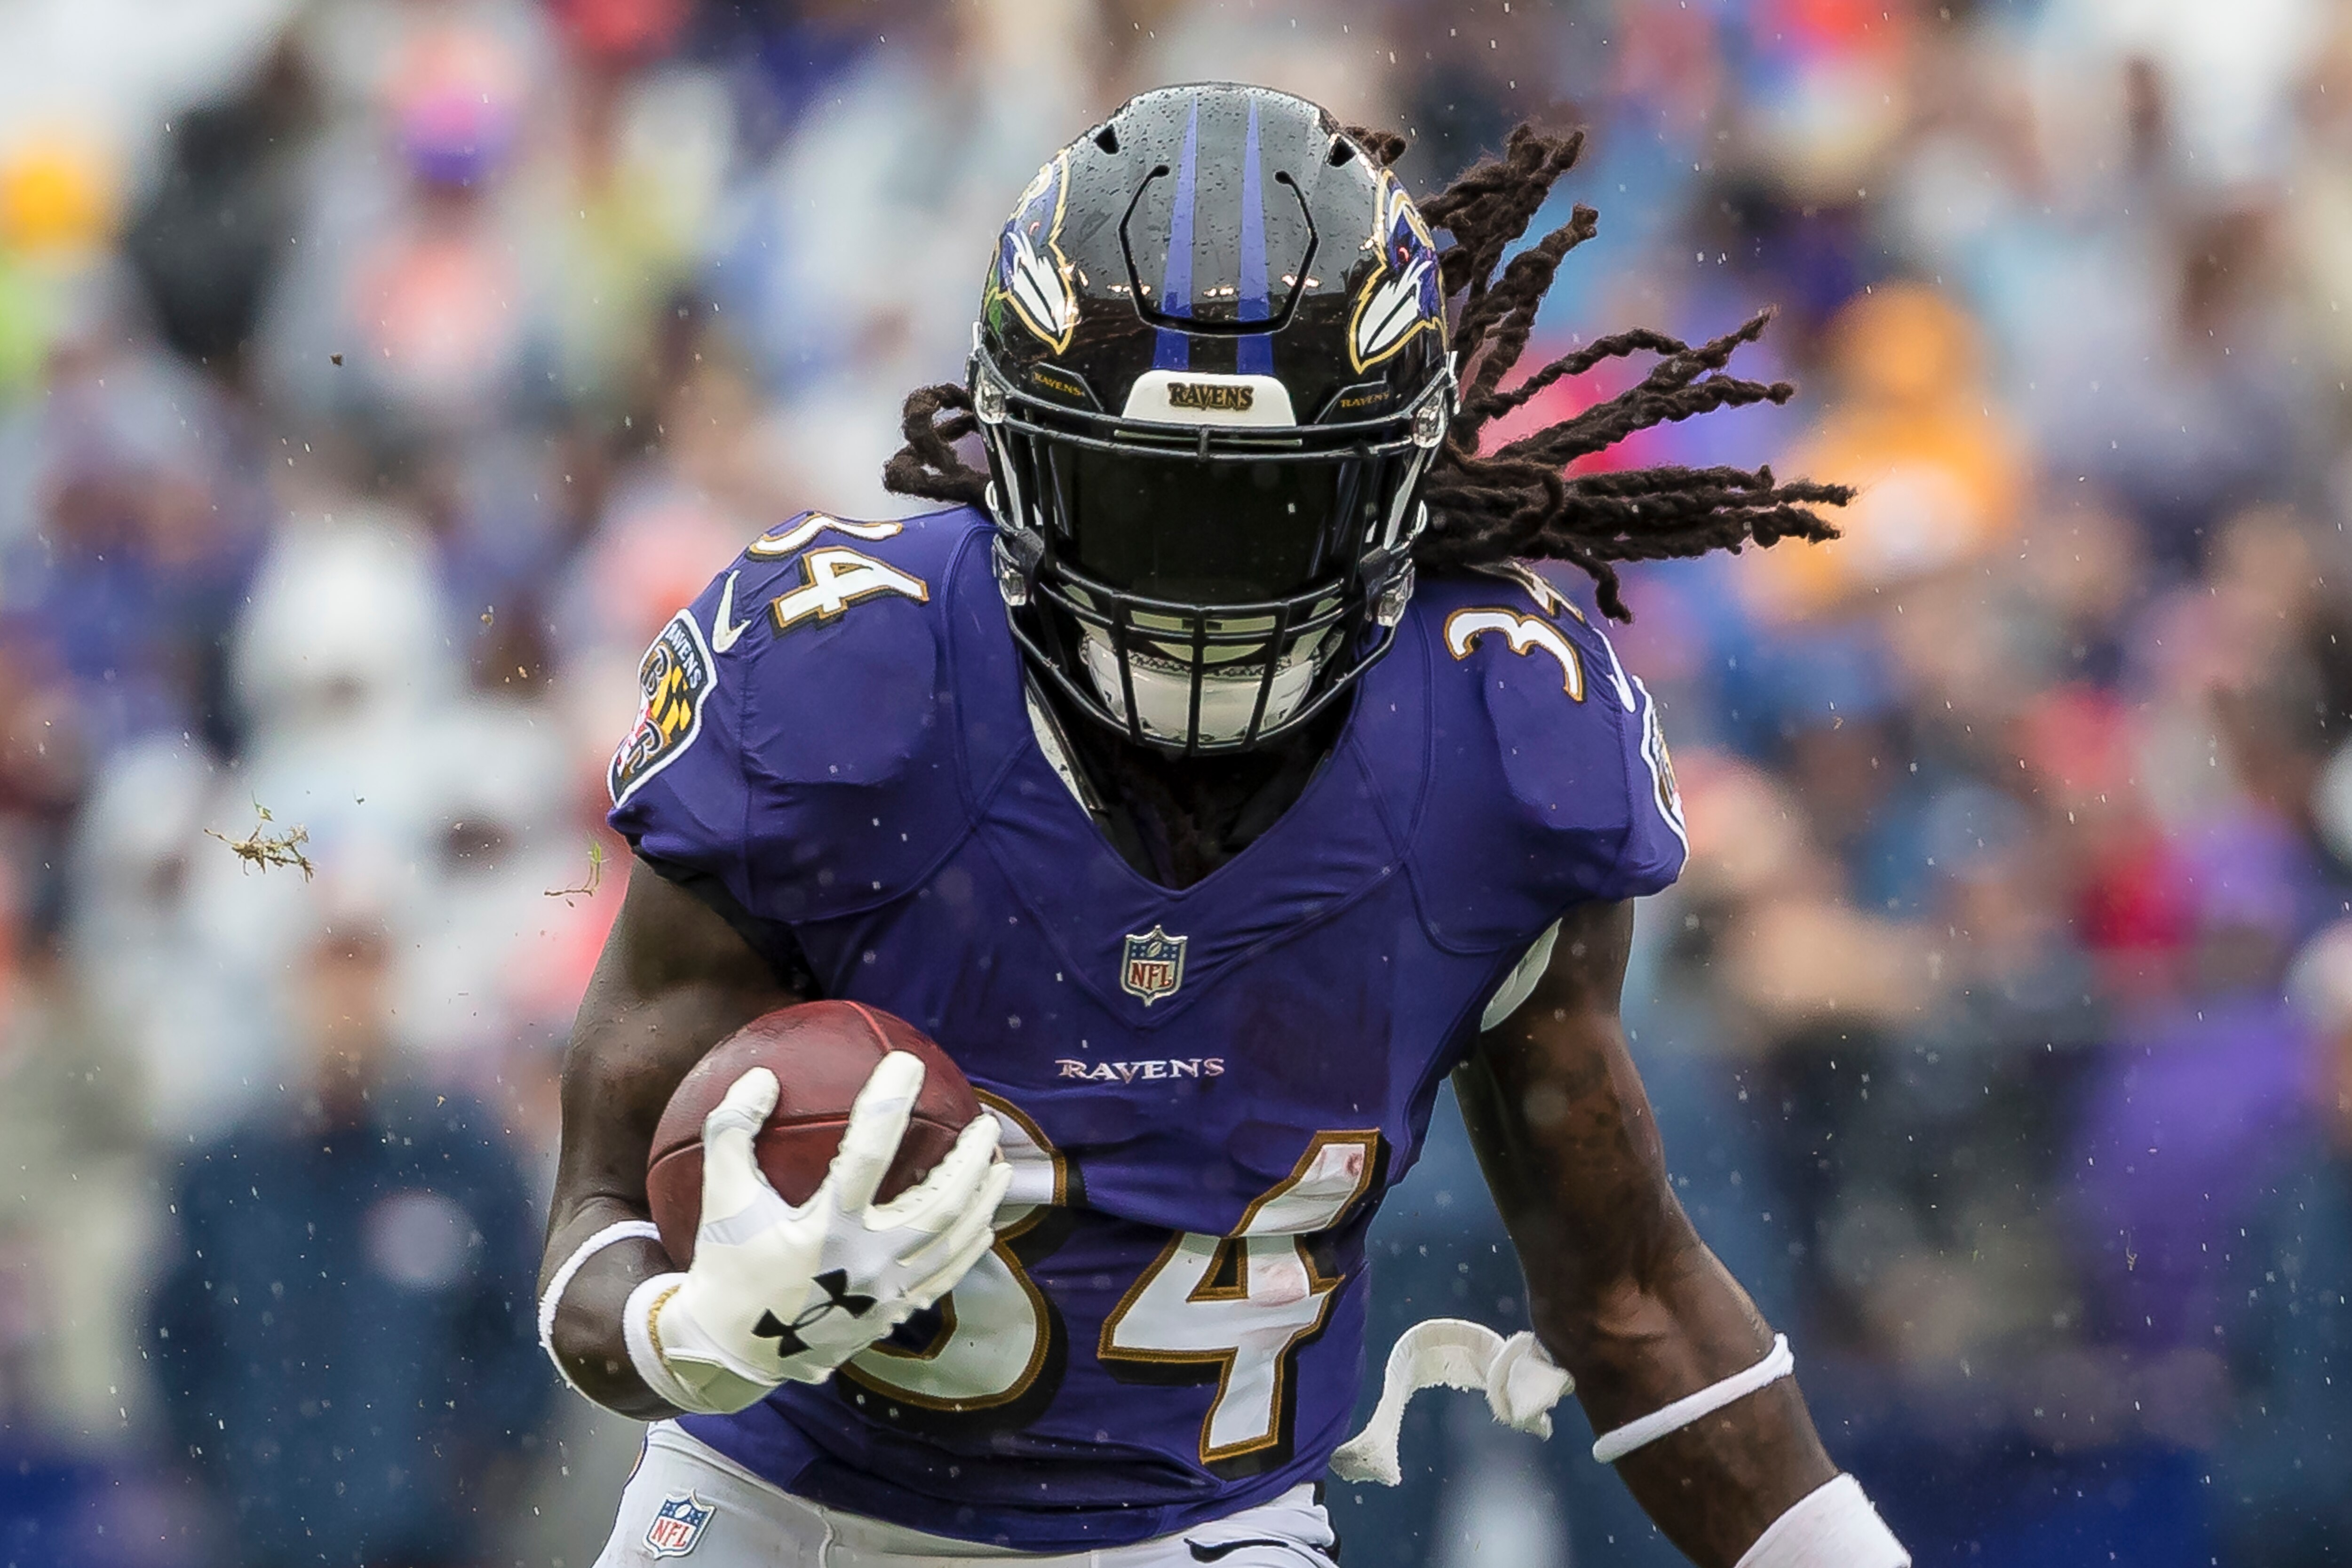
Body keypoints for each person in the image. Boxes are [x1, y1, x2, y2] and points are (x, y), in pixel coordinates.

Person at [539, 86, 1909, 1568]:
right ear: (1014, 460)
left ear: (1395, 477)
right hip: (777, 1506)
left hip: (1203, 1532)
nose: (1203, 593)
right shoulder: (842, 686)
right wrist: (688, 1331)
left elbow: (1629, 1294)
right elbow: (596, 1221)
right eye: (1142, 504)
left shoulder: (1506, 738)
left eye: (1269, 512)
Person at [151, 914, 551, 1568]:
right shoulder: (225, 1166)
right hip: (265, 1537)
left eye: (363, 971)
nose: (345, 1004)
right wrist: (233, 1468)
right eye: (327, 974)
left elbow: (524, 1333)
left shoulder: (463, 1156)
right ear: (291, 987)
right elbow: (176, 1338)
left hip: (426, 1542)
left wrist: (471, 1470)